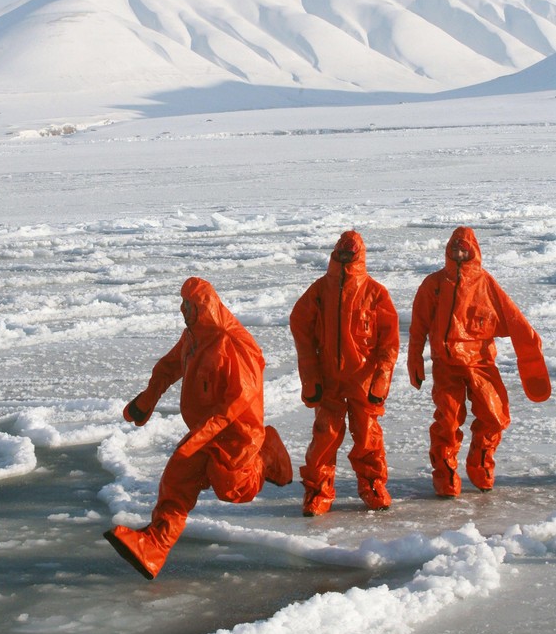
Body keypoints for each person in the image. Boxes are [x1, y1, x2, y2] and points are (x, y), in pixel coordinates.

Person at [104, 276, 293, 579]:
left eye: (188, 305)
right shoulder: (194, 336)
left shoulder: (230, 343)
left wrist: (199, 438)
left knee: (233, 489)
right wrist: (147, 399)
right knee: (178, 478)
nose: (182, 310)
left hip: (237, 432)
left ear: (202, 307)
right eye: (182, 303)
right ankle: (153, 546)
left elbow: (235, 404)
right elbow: (169, 366)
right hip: (206, 428)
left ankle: (268, 455)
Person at [408, 226, 551, 496]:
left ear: (473, 251)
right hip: (446, 364)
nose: (459, 253)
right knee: (448, 422)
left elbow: (514, 319)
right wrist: (415, 357)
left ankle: (481, 462)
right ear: (448, 251)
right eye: (454, 249)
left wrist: (530, 350)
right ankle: (446, 475)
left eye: (464, 249)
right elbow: (418, 325)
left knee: (496, 416)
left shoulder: (486, 284)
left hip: (481, 363)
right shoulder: (434, 284)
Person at [290, 230, 399, 515]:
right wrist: (310, 373)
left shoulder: (375, 292)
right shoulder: (319, 290)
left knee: (368, 437)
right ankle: (317, 493)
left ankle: (374, 486)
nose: (345, 257)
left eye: (350, 253)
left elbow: (389, 341)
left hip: (363, 381)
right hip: (329, 380)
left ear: (359, 256)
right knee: (324, 437)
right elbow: (299, 323)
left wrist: (381, 377)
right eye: (341, 252)